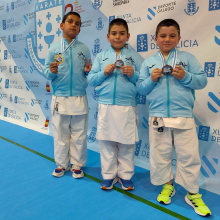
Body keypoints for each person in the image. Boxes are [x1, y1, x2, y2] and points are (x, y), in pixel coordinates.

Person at [137, 19, 211, 217]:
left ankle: (193, 193)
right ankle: (167, 184)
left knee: (189, 156)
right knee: (161, 155)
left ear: (179, 38)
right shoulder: (148, 63)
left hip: (183, 116)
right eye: (163, 36)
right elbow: (140, 88)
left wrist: (185, 76)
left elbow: (202, 80)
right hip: (158, 117)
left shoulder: (188, 58)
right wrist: (151, 79)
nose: (167, 39)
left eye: (172, 36)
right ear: (155, 39)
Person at [87, 18, 143, 190]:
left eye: (121, 33)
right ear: (107, 36)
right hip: (106, 106)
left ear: (128, 36)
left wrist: (133, 74)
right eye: (114, 33)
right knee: (107, 143)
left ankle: (126, 176)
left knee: (126, 144)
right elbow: (91, 79)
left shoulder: (134, 57)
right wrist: (103, 73)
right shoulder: (102, 57)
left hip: (127, 106)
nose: (117, 37)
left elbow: (143, 82)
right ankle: (108, 176)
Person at [43, 12, 92, 179]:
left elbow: (88, 73)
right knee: (60, 133)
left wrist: (87, 72)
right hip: (60, 97)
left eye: (77, 23)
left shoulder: (84, 49)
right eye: (70, 21)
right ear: (61, 25)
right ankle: (61, 164)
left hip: (79, 96)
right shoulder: (54, 49)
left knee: (79, 134)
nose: (74, 25)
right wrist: (51, 71)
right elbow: (46, 72)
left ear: (79, 29)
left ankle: (77, 164)